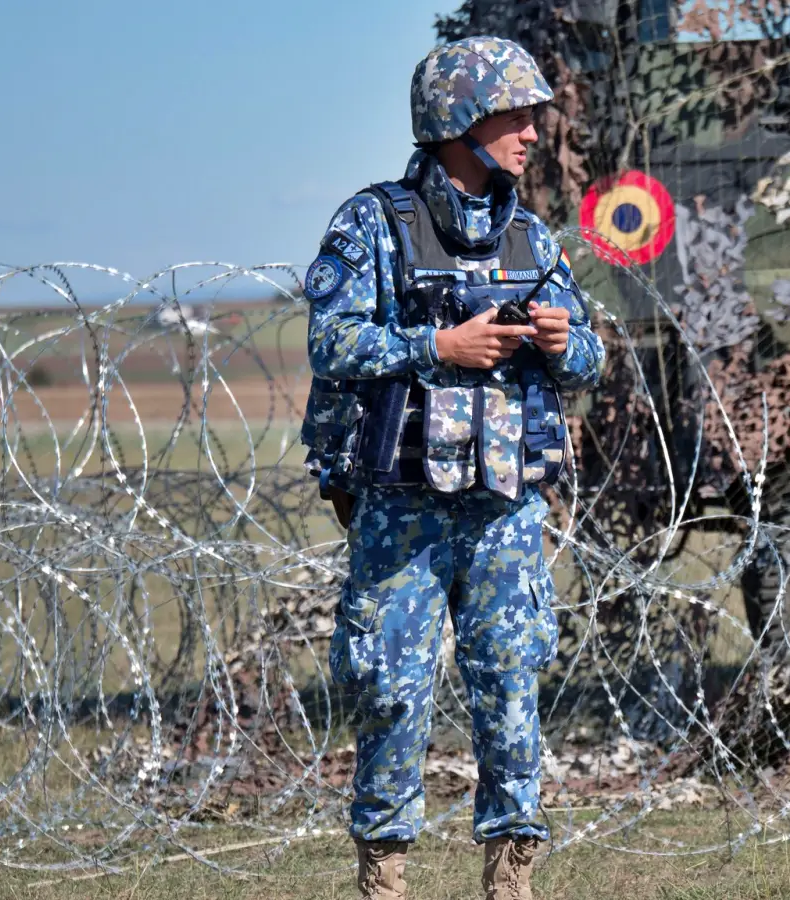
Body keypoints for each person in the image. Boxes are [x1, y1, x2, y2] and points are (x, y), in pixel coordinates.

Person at [298, 35, 605, 900]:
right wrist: (439, 344)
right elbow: (330, 338)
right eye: (513, 115)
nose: (531, 133)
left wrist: (559, 340)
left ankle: (512, 878)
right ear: (456, 121)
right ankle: (384, 876)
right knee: (389, 688)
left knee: (510, 687)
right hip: (403, 502)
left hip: (506, 507)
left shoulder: (529, 236)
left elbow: (590, 364)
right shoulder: (376, 223)